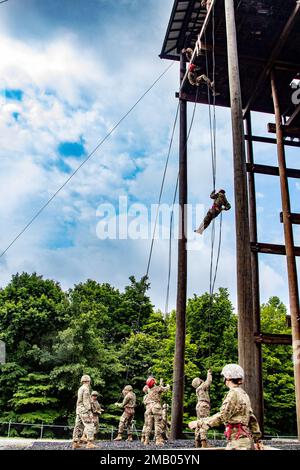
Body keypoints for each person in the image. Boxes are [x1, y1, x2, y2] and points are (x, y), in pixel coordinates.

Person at [188, 364, 263, 450]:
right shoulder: (243, 394)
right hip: (245, 442)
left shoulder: (233, 394)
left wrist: (199, 423)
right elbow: (252, 419)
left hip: (237, 444)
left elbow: (223, 416)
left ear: (227, 378)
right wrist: (257, 440)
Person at [143, 377, 170, 446]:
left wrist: (160, 383)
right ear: (154, 382)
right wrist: (168, 385)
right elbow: (166, 389)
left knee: (148, 425)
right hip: (156, 407)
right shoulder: (157, 388)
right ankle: (158, 440)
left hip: (148, 408)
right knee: (157, 424)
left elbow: (157, 387)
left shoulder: (148, 389)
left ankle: (146, 440)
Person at [72, 374, 96, 449]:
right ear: (88, 381)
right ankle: (89, 443)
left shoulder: (80, 388)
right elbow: (85, 401)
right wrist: (89, 411)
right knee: (90, 425)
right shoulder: (86, 389)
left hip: (79, 410)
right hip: (84, 410)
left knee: (78, 426)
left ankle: (75, 443)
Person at [192, 369, 212, 447]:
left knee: (198, 424)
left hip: (199, 405)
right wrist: (209, 373)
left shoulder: (198, 389)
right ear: (199, 382)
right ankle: (204, 444)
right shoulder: (202, 387)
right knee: (204, 423)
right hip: (204, 405)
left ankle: (197, 442)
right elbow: (209, 381)